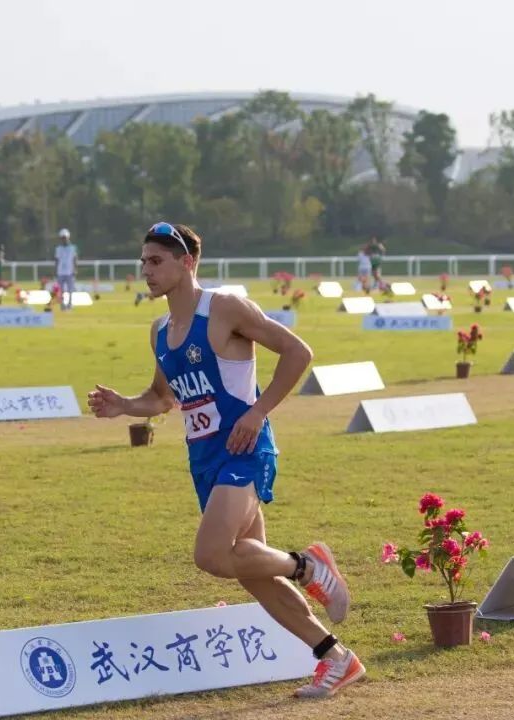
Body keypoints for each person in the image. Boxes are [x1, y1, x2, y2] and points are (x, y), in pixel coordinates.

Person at [87, 222, 365, 699]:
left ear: (187, 262)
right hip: (206, 462)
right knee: (253, 576)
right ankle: (336, 658)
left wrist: (258, 413)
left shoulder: (225, 309)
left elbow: (298, 352)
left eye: (156, 261)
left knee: (212, 556)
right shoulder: (159, 330)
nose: (146, 271)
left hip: (246, 449)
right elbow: (162, 398)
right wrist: (124, 406)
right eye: (143, 262)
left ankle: (308, 565)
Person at [54, 229, 77, 310]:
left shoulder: (73, 248)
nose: (64, 239)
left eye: (65, 237)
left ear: (68, 237)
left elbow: (74, 259)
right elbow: (57, 260)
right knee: (61, 290)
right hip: (60, 272)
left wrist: (75, 269)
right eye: (62, 238)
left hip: (69, 271)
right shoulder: (58, 249)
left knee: (70, 289)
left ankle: (70, 304)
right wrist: (56, 270)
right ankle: (62, 304)